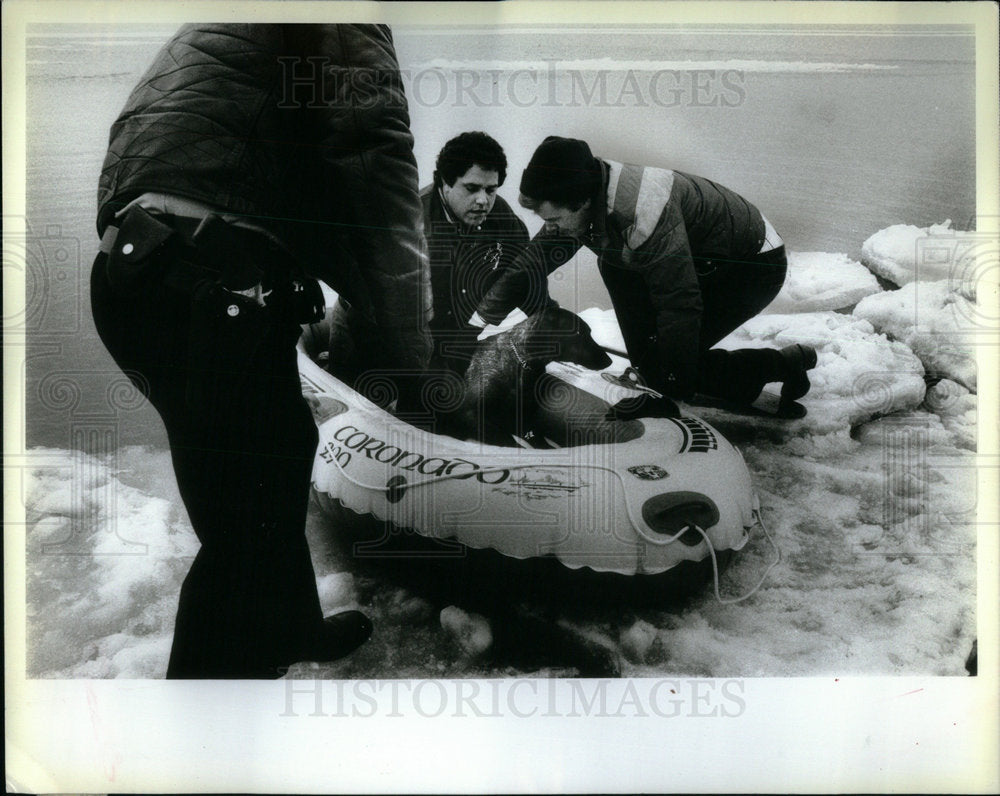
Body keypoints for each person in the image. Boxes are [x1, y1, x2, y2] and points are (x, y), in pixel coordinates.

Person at [90, 24, 432, 678]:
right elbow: (374, 181)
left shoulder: (225, 27)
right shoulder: (346, 21)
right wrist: (412, 366)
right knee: (245, 530)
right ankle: (203, 737)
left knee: (272, 468)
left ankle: (289, 630)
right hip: (210, 295)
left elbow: (179, 149)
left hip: (136, 279)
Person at [475, 136, 816, 416]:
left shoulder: (645, 213)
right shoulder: (578, 192)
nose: (550, 229)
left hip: (751, 265)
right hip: (690, 259)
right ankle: (695, 375)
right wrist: (474, 325)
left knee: (671, 368)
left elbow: (680, 306)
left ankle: (783, 364)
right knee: (652, 354)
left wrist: (667, 393)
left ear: (581, 204)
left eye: (555, 219)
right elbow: (528, 266)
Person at [327, 131, 532, 382]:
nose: (483, 200)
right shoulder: (408, 223)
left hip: (442, 340)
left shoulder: (500, 216)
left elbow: (524, 272)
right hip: (371, 335)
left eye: (491, 190)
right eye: (472, 188)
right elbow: (373, 311)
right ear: (444, 183)